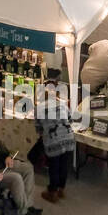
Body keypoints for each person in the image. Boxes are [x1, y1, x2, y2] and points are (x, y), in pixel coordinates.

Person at [36, 75, 75, 204]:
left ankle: (52, 192)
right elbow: (70, 120)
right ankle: (61, 189)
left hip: (53, 142)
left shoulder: (39, 108)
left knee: (54, 166)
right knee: (64, 166)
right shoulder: (63, 104)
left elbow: (39, 130)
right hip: (69, 139)